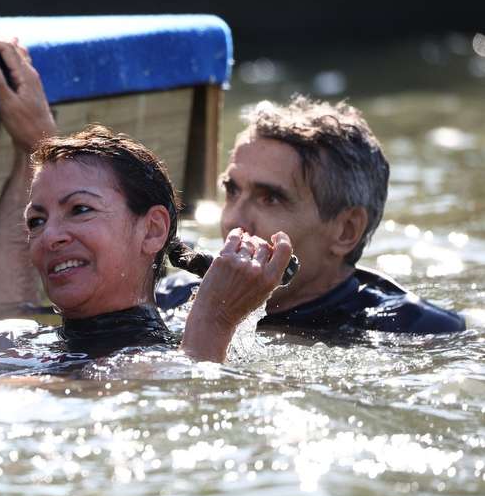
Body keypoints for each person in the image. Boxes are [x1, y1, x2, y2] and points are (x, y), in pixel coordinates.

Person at [0, 31, 293, 380]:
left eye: (81, 210)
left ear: (152, 230)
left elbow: (184, 415)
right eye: (36, 221)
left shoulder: (161, 364)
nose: (49, 236)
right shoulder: (5, 337)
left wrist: (215, 320)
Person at [156, 97, 465, 334]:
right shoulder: (172, 298)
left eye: (271, 198)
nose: (234, 220)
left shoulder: (411, 331)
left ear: (346, 230)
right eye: (232, 191)